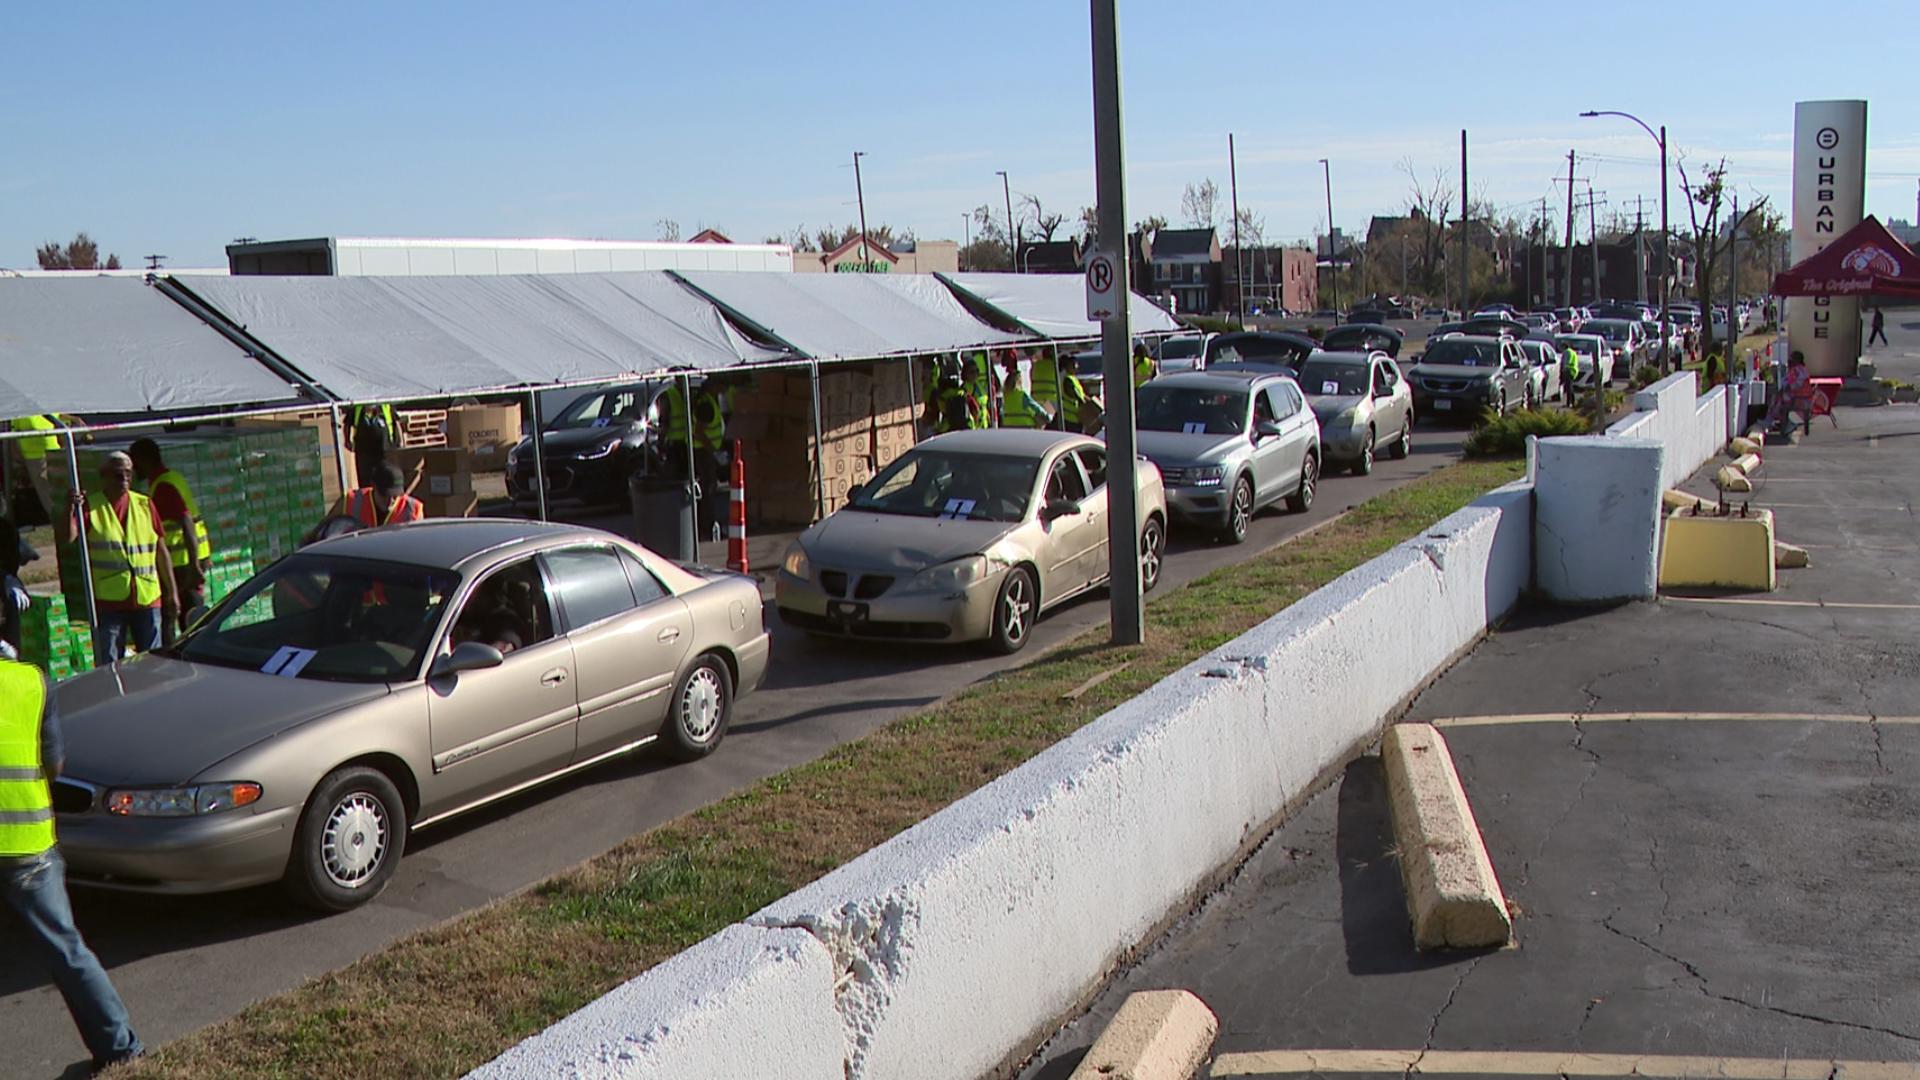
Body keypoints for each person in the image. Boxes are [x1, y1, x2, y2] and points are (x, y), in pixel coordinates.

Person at [0, 654, 144, 1072]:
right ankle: (121, 1049)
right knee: (67, 949)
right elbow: (54, 764)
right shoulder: (32, 681)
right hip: (27, 841)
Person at [56, 452, 177, 668]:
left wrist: (172, 592)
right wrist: (69, 508)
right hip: (109, 600)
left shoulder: (145, 504)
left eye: (128, 474)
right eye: (117, 475)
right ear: (104, 476)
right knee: (109, 663)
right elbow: (69, 537)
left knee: (154, 662)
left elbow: (161, 550)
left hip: (147, 596)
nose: (124, 479)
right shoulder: (90, 506)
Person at [128, 439, 212, 643]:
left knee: (181, 614)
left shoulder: (163, 485)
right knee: (184, 614)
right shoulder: (169, 478)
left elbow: (186, 522)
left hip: (183, 563)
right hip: (188, 559)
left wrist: (193, 564)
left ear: (143, 460)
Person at [7, 413, 82, 525]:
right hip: (34, 455)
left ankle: (71, 523)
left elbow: (56, 414)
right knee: (49, 496)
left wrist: (73, 418)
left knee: (64, 490)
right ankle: (60, 525)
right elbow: (13, 431)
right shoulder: (20, 406)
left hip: (53, 449)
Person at [340, 462, 424, 528]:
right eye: (385, 495)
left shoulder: (413, 509)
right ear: (373, 486)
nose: (391, 501)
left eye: (395, 496)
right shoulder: (351, 501)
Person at [344, 402, 398, 490]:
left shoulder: (386, 405)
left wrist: (398, 443)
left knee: (385, 480)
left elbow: (396, 423)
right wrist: (347, 440)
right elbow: (347, 423)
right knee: (365, 483)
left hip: (384, 450)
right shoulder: (357, 406)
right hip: (364, 452)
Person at [996, 353, 1053, 429]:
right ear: (1019, 381)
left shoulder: (1006, 395)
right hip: (1025, 426)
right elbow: (1035, 407)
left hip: (1009, 427)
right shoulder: (1021, 395)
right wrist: (1048, 417)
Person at [1767, 351, 1815, 435]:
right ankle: (1783, 422)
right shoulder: (1802, 369)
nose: (1789, 360)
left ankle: (1775, 421)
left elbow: (1792, 384)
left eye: (1791, 358)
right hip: (1805, 398)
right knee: (1779, 397)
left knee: (1777, 399)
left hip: (1800, 399)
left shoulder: (1797, 370)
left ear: (1796, 360)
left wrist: (1784, 388)